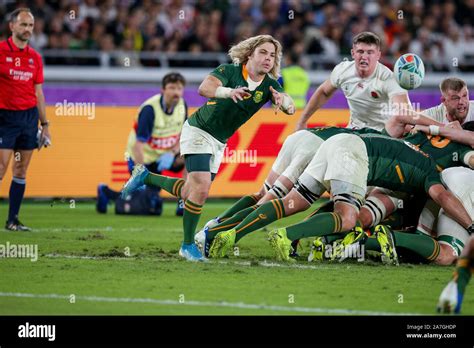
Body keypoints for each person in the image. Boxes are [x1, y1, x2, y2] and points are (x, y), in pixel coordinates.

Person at [121, 35, 295, 261]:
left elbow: (291, 108)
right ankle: (187, 245)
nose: (268, 58)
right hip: (198, 130)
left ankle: (146, 177)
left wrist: (284, 101)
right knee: (201, 189)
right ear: (250, 53)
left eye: (272, 55)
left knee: (189, 191)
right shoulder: (230, 70)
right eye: (263, 52)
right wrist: (228, 92)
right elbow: (205, 88)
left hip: (219, 141)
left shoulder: (270, 84)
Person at [96, 72, 187, 216]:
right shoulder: (150, 110)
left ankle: (184, 201)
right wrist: (141, 172)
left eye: (179, 88)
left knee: (190, 158)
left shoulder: (182, 106)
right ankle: (106, 192)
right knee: (142, 197)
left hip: (162, 156)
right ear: (163, 90)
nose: (176, 92)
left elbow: (184, 135)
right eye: (172, 88)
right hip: (140, 157)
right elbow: (138, 145)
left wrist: (172, 152)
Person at [295, 31, 421, 132]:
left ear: (378, 55)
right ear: (353, 53)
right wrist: (302, 121)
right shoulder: (342, 70)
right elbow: (323, 92)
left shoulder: (389, 78)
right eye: (360, 51)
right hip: (354, 130)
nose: (364, 57)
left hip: (382, 135)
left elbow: (404, 111)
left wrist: (425, 128)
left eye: (370, 52)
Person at [0, 8, 50, 231]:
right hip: (4, 117)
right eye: (23, 25)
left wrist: (45, 125)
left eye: (30, 25)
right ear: (12, 26)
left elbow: (38, 92)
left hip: (28, 118)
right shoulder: (0, 52)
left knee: (20, 170)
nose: (28, 29)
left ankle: (12, 221)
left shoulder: (35, 58)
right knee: (1, 169)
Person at [437, 234, 474, 314]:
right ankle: (451, 305)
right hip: (467, 261)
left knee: (458, 281)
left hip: (466, 260)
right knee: (459, 282)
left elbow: (466, 252)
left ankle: (448, 305)